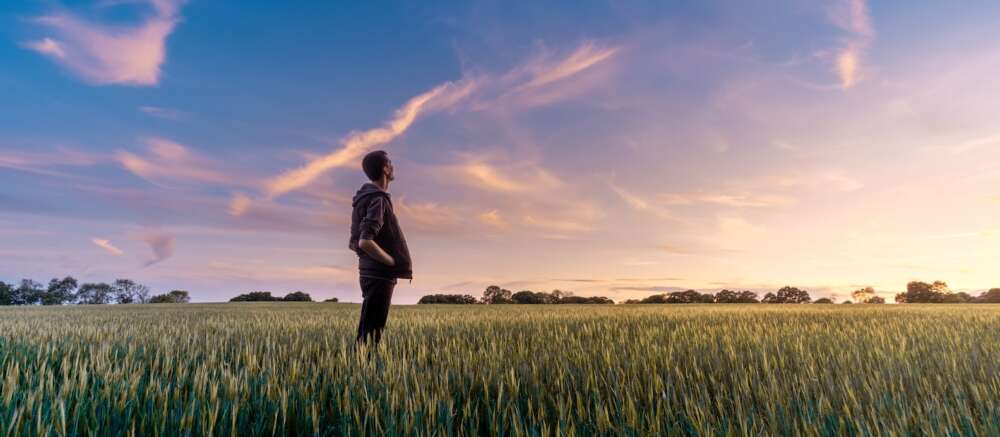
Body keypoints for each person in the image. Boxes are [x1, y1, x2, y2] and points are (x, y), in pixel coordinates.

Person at [348, 150, 412, 353]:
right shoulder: (378, 199)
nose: (393, 167)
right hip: (379, 273)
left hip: (368, 271)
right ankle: (362, 375)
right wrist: (391, 262)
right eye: (390, 163)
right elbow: (364, 241)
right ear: (385, 168)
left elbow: (353, 241)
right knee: (372, 333)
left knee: (368, 329)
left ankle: (358, 370)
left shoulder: (363, 199)